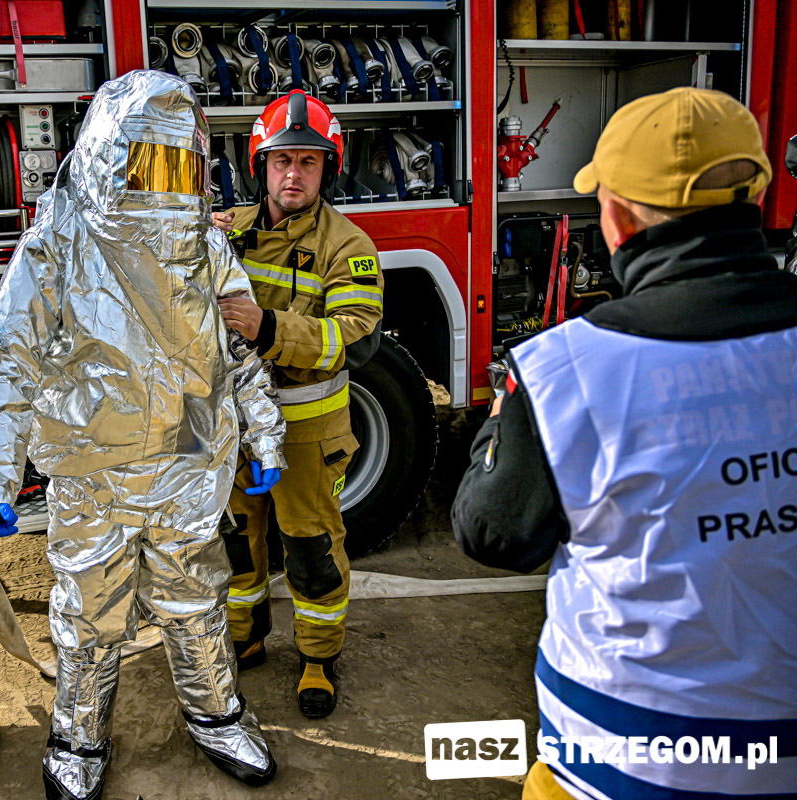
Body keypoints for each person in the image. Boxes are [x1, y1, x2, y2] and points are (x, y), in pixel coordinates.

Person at [451, 87, 797, 799]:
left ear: (614, 215)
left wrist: (506, 420)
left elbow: (493, 533)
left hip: (625, 762)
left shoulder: (563, 374)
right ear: (755, 193)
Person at [0, 71, 287, 800]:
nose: (163, 184)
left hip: (187, 465)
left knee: (195, 599)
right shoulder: (60, 242)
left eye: (179, 166)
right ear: (111, 156)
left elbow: (236, 347)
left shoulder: (203, 243)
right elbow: (0, 351)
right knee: (88, 614)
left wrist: (263, 432)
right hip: (94, 474)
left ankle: (216, 715)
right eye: (146, 161)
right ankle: (78, 737)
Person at [213, 89, 384, 719]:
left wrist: (266, 326)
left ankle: (317, 656)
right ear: (261, 163)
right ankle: (245, 635)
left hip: (306, 433)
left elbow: (355, 338)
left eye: (307, 162)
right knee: (238, 541)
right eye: (282, 159)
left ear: (326, 168)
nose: (293, 173)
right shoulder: (227, 229)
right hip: (232, 427)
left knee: (310, 548)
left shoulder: (349, 246)